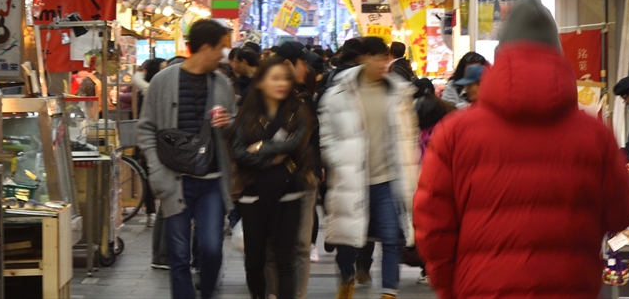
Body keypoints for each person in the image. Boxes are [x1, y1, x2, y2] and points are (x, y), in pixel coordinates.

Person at [413, 0, 629, 299]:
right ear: (558, 54)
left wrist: (448, 286)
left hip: (481, 288)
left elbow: (432, 226)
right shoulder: (595, 135)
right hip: (570, 287)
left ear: (500, 55)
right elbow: (621, 215)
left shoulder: (454, 134)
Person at [139, 19, 238, 299]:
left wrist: (229, 122)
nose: (222, 55)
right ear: (205, 48)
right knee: (179, 254)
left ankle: (207, 292)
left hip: (212, 181)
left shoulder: (222, 83)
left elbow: (235, 125)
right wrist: (156, 170)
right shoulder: (162, 81)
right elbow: (146, 127)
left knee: (211, 247)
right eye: (220, 48)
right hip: (175, 179)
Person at [319, 36, 419, 299]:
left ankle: (389, 292)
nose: (383, 63)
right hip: (352, 177)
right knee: (347, 241)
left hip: (388, 178)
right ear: (363, 59)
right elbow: (326, 136)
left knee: (392, 237)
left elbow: (410, 135)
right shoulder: (338, 94)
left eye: (386, 58)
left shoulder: (399, 92)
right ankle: (347, 278)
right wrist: (338, 159)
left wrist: (412, 172)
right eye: (377, 58)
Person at [234, 55, 319, 299]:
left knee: (285, 258)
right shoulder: (248, 112)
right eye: (274, 78)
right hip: (253, 195)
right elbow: (238, 151)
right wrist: (270, 154)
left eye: (284, 79)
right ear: (260, 82)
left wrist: (259, 147)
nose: (281, 83)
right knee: (255, 259)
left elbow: (296, 144)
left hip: (289, 190)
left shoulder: (298, 109)